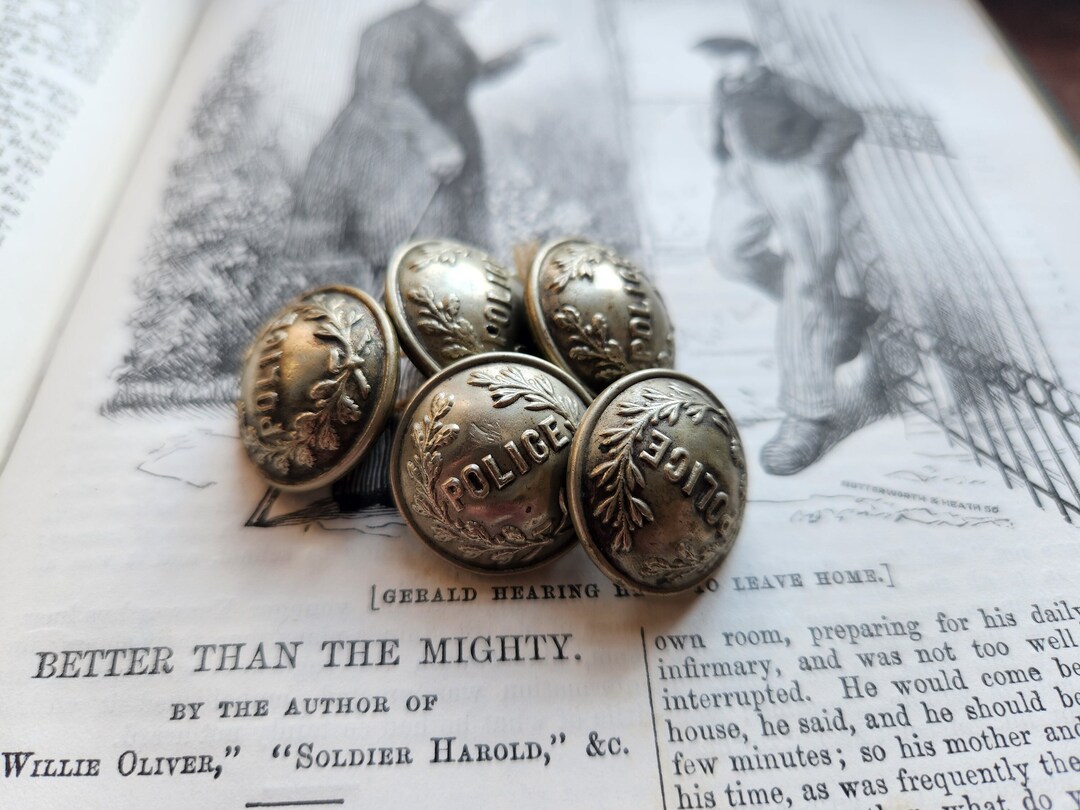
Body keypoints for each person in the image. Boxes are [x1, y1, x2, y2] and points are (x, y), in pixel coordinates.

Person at [699, 37, 874, 475]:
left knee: (808, 284)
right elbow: (723, 132)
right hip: (748, 175)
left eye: (733, 53)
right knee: (729, 251)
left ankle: (807, 417)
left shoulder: (787, 86)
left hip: (798, 178)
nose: (725, 62)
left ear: (755, 55)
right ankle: (837, 312)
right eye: (718, 55)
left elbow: (846, 120)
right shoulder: (725, 88)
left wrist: (813, 162)